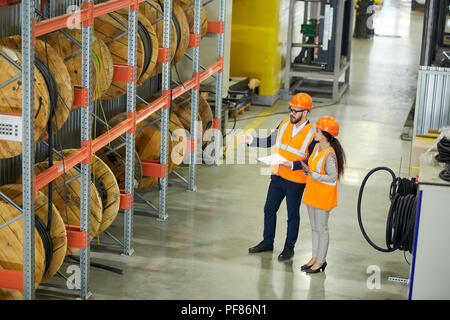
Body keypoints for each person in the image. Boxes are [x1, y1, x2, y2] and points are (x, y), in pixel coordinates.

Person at [240, 93, 317, 261]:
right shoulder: (283, 124)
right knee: (269, 209)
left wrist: (293, 165)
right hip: (278, 176)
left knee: (292, 215)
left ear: (305, 112)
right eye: (291, 109)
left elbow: (311, 161)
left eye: (296, 111)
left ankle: (289, 248)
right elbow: (269, 141)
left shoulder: (313, 133)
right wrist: (251, 140)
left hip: (295, 181)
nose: (292, 113)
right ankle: (268, 242)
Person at [299, 116, 345, 273]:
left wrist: (314, 175)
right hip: (312, 193)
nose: (314, 131)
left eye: (317, 130)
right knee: (314, 228)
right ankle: (314, 257)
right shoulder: (318, 147)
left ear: (325, 134)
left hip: (322, 196)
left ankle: (321, 261)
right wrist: (309, 171)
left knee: (321, 228)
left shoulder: (330, 154)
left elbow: (333, 177)